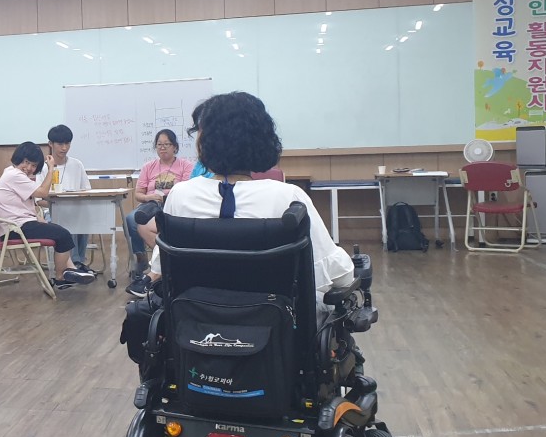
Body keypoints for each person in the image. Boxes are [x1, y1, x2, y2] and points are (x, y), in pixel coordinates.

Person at [141, 92, 354, 305]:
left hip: (195, 319)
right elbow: (340, 276)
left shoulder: (180, 195)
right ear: (261, 141)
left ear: (204, 143)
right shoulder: (289, 198)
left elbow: (161, 268)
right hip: (273, 321)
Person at [0, 142, 96, 288]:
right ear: (18, 158)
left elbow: (24, 205)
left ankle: (71, 269)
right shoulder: (15, 175)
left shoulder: (11, 172)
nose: (29, 168)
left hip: (15, 225)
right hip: (15, 229)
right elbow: (42, 193)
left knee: (59, 232)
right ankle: (61, 277)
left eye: (33, 165)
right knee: (63, 235)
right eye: (26, 162)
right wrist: (51, 168)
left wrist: (39, 219)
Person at [124, 129, 195, 296]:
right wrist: (149, 197)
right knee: (131, 219)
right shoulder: (148, 167)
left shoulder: (186, 166)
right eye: (159, 145)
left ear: (175, 147)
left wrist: (166, 197)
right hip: (150, 204)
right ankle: (141, 258)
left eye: (166, 144)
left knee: (162, 224)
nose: (162, 148)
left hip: (172, 204)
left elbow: (186, 190)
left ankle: (165, 261)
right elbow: (138, 194)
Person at [36, 125, 93, 272]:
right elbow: (38, 200)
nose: (64, 148)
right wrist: (58, 204)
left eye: (67, 143)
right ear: (50, 144)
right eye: (60, 144)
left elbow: (86, 191)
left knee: (83, 218)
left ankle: (78, 261)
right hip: (52, 212)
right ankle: (74, 265)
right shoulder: (43, 168)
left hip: (76, 210)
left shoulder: (77, 164)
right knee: (68, 219)